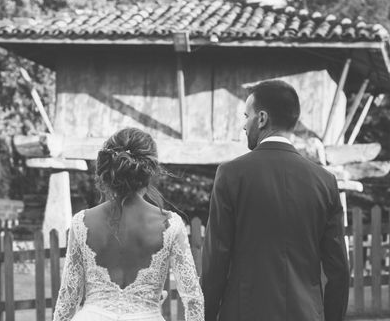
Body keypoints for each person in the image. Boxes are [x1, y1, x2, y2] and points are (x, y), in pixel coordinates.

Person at [201, 80, 350, 321]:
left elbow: (215, 261)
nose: (243, 125)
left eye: (246, 116)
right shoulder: (325, 181)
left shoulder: (231, 174)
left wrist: (205, 317)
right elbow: (339, 270)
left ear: (261, 118)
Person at [53, 127, 204, 321]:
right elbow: (193, 298)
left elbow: (68, 297)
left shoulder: (82, 223)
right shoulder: (169, 225)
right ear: (150, 170)